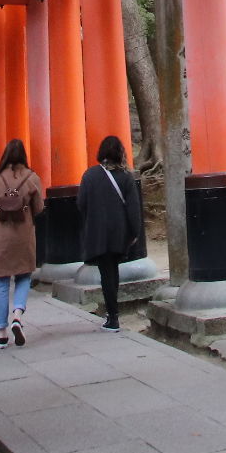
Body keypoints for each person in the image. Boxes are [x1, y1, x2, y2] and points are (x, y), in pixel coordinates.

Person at [77, 134, 143, 332]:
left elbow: (81, 204)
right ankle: (113, 313)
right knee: (112, 270)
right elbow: (133, 208)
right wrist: (135, 232)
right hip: (119, 232)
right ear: (120, 153)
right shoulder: (126, 177)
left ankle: (113, 316)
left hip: (98, 233)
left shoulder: (89, 175)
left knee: (106, 273)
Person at [0, 139, 45, 348]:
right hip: (23, 236)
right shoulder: (32, 178)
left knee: (1, 282)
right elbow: (39, 208)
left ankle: (2, 333)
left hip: (1, 237)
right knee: (24, 276)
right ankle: (18, 315)